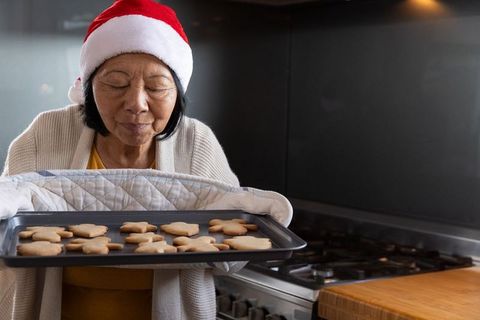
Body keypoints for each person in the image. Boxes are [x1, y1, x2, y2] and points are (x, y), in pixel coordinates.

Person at [2, 0, 240, 319]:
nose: (136, 103)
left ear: (178, 94)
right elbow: (7, 229)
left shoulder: (196, 143)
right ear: (88, 88)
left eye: (156, 87)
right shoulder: (45, 133)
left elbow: (234, 254)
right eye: (116, 84)